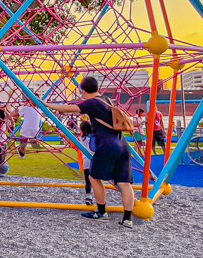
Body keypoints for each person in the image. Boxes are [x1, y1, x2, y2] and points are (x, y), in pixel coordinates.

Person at [41, 76, 136, 228]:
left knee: (93, 177)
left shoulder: (91, 103)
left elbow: (69, 108)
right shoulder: (106, 100)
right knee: (124, 183)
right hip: (122, 144)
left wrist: (46, 104)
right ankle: (127, 219)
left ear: (83, 90)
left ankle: (101, 211)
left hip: (107, 145)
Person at [79, 120, 96, 205]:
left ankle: (88, 196)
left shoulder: (82, 139)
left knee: (88, 181)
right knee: (96, 180)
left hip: (86, 162)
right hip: (95, 160)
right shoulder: (93, 138)